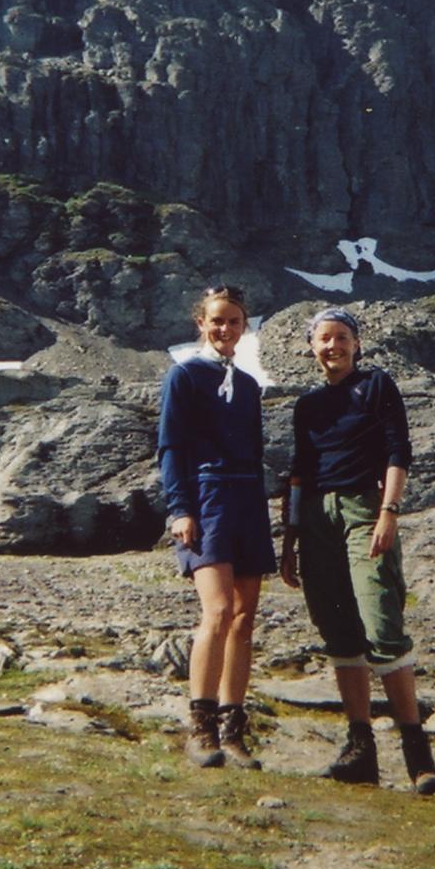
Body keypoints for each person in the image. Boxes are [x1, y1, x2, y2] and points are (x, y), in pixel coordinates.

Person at [281, 308, 435, 794]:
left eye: (342, 337)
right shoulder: (307, 406)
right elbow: (298, 473)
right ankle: (360, 751)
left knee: (382, 625)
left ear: (356, 344)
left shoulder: (376, 386)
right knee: (339, 632)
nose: (333, 346)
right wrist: (289, 542)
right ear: (312, 347)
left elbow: (398, 451)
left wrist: (388, 512)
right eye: (324, 339)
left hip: (363, 509)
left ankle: (419, 758)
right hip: (315, 518)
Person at [157, 285, 276, 769]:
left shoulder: (247, 385)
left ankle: (233, 730)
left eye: (234, 321)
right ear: (201, 325)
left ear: (244, 327)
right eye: (216, 321)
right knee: (219, 610)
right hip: (207, 499)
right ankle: (200, 727)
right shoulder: (183, 376)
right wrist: (179, 508)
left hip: (247, 498)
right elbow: (170, 448)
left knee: (245, 619)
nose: (225, 329)